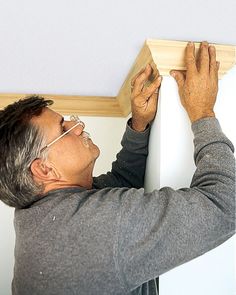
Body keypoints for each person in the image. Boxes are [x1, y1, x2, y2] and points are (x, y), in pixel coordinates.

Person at [0, 41, 235, 295]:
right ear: (44, 170)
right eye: (63, 129)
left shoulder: (41, 214)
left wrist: (139, 125)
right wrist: (203, 113)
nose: (77, 126)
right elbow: (224, 204)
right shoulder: (92, 229)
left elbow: (120, 183)